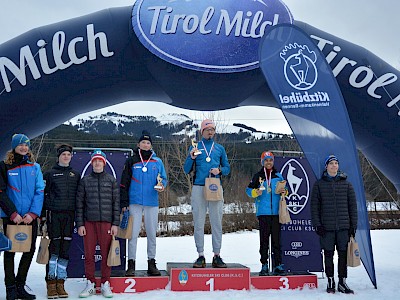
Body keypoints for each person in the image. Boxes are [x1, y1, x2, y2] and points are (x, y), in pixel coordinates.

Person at [0, 134, 45, 300]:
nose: (24, 148)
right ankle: (10, 288)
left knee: (29, 249)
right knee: (10, 251)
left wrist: (32, 214)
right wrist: (13, 213)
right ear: (14, 147)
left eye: (26, 145)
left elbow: (39, 191)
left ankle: (20, 285)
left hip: (29, 217)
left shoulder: (35, 167)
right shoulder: (4, 166)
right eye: (20, 145)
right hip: (11, 217)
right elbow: (1, 192)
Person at [183, 119, 230, 268]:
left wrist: (220, 170)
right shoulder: (195, 147)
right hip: (198, 187)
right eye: (207, 129)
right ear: (202, 131)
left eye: (212, 129)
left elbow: (227, 168)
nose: (210, 132)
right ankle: (200, 255)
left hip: (215, 186)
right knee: (198, 222)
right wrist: (191, 157)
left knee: (217, 222)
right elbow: (186, 169)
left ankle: (217, 255)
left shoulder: (219, 149)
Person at [120, 131, 167, 277]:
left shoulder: (157, 161)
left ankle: (151, 263)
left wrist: (162, 185)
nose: (145, 145)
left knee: (152, 234)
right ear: (138, 144)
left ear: (151, 145)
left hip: (151, 202)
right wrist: (124, 202)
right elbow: (124, 182)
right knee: (133, 235)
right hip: (135, 202)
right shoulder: (131, 160)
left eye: (148, 143)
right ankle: (131, 264)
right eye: (143, 142)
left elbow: (163, 178)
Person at [310, 154, 358, 294]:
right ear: (326, 167)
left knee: (343, 255)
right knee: (328, 255)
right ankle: (330, 280)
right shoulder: (319, 184)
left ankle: (342, 282)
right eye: (331, 163)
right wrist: (317, 225)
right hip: (327, 228)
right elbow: (314, 207)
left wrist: (352, 226)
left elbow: (353, 207)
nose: (334, 165)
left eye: (336, 163)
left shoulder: (347, 184)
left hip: (343, 227)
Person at [75, 149, 119, 298]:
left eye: (100, 160)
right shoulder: (85, 180)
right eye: (95, 160)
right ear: (92, 163)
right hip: (89, 223)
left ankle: (105, 284)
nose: (98, 163)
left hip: (106, 223)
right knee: (89, 255)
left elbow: (116, 204)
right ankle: (90, 283)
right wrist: (80, 224)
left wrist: (115, 224)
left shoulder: (111, 180)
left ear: (104, 163)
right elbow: (79, 204)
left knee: (107, 255)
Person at [42, 144, 80, 298]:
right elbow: (43, 196)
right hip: (54, 216)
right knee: (54, 249)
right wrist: (43, 217)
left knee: (65, 250)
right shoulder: (49, 174)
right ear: (58, 156)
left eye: (68, 154)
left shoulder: (75, 174)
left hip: (69, 216)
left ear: (71, 157)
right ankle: (51, 283)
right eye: (63, 154)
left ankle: (61, 282)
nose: (66, 156)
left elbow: (80, 198)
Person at [245, 151, 287, 276]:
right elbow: (248, 190)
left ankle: (278, 265)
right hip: (263, 213)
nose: (269, 162)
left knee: (276, 240)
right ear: (262, 162)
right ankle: (264, 265)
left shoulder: (278, 176)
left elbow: (286, 190)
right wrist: (255, 192)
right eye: (266, 160)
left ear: (273, 162)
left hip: (276, 213)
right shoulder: (258, 176)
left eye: (271, 160)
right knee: (264, 240)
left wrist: (285, 192)